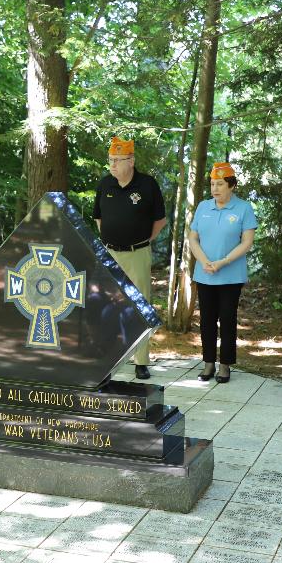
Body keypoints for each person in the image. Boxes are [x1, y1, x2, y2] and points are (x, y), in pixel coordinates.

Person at [93, 136, 167, 380]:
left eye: (117, 160)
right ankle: (108, 358)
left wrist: (143, 241)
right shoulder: (105, 185)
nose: (112, 165)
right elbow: (99, 218)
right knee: (107, 305)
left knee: (140, 305)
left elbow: (160, 220)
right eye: (110, 160)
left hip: (137, 253)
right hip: (110, 253)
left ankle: (141, 361)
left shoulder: (147, 186)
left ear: (131, 161)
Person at [188, 163, 258, 383]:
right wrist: (204, 261)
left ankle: (225, 364)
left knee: (227, 319)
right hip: (205, 273)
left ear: (232, 186)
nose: (215, 189)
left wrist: (223, 262)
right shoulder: (203, 207)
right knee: (207, 319)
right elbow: (193, 238)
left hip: (231, 275)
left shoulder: (243, 208)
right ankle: (208, 363)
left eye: (220, 184)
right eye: (212, 184)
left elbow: (247, 242)